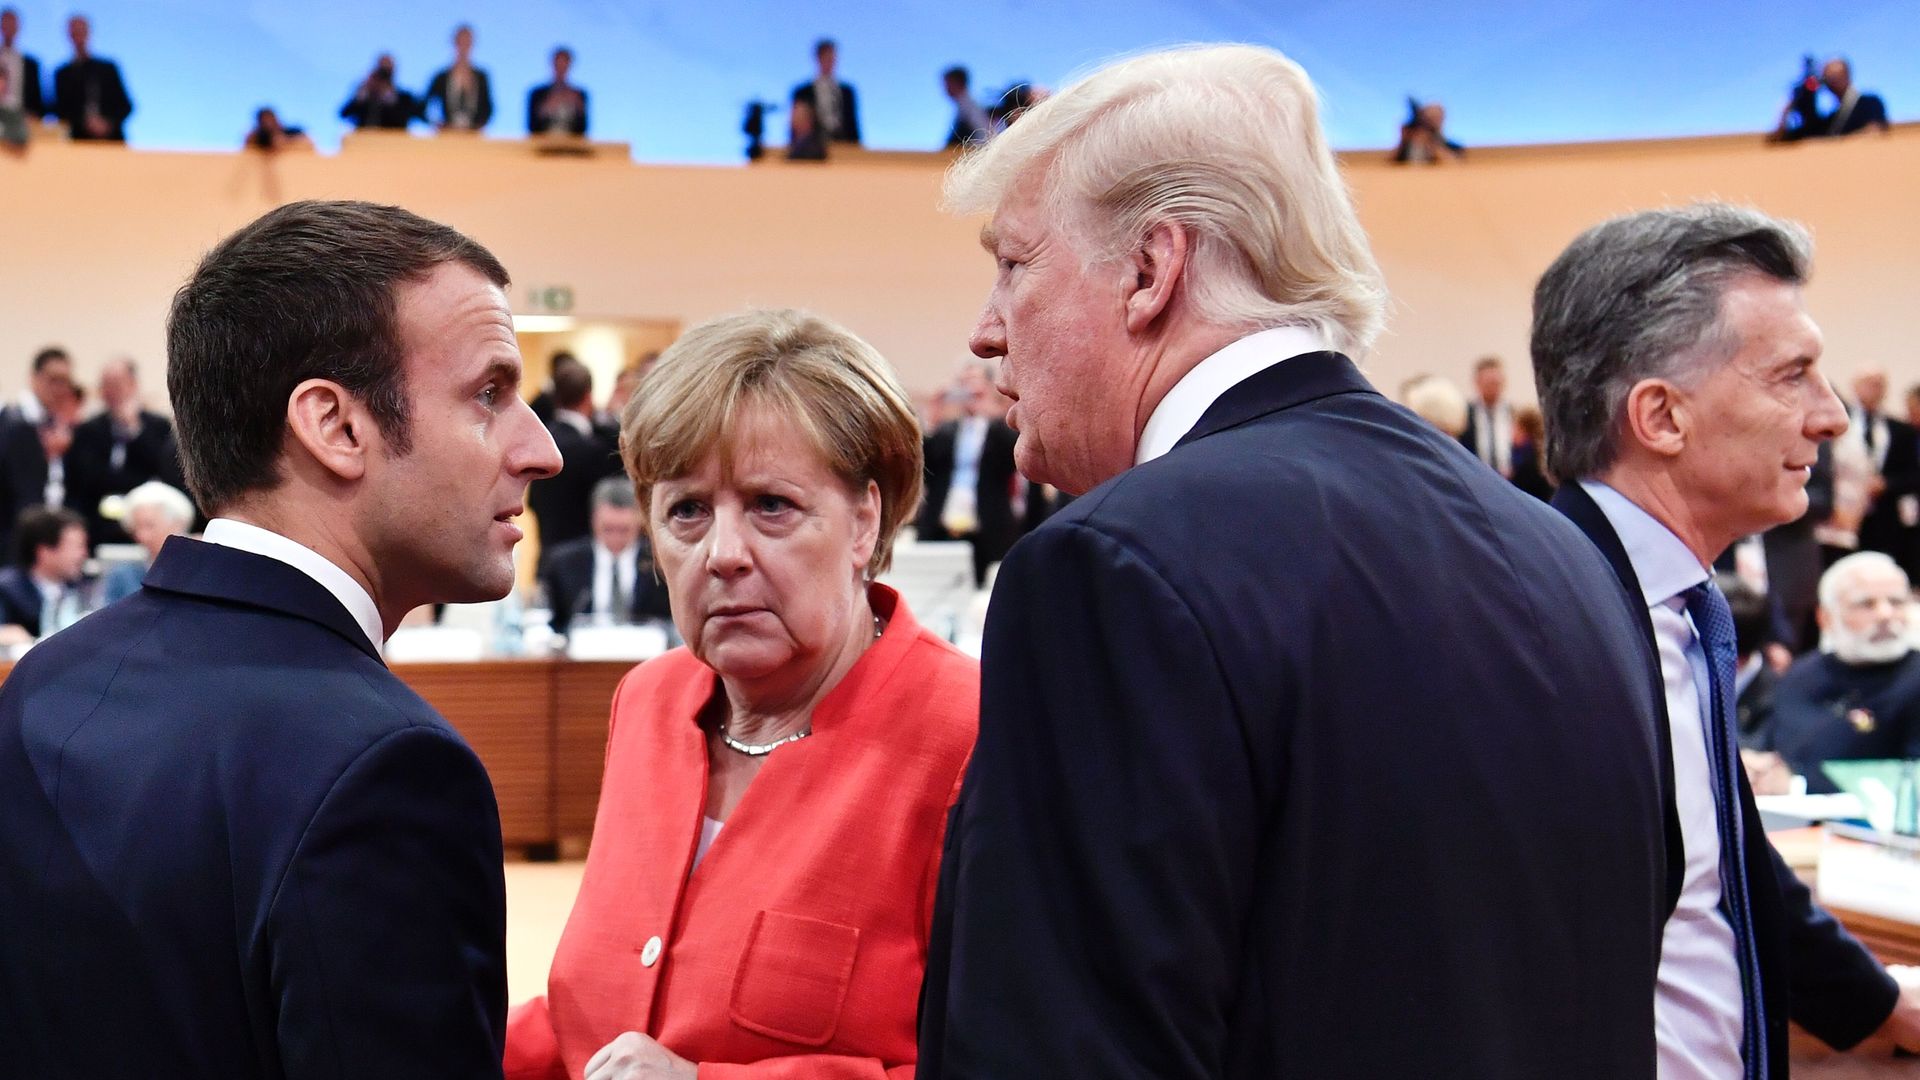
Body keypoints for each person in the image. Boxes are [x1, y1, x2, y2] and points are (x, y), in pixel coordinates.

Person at [919, 44, 1670, 1080]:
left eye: (1012, 264)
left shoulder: (1110, 570)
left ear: (1150, 269)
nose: (986, 332)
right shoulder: (1568, 557)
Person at [0, 199, 563, 1077]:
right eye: (489, 394)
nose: (542, 450)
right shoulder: (387, 766)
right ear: (336, 427)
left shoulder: (49, 678)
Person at [504, 308, 977, 1079]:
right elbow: (591, 1017)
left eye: (771, 506)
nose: (723, 555)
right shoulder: (649, 703)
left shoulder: (969, 735)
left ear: (865, 520)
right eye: (687, 510)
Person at [1534, 201, 1920, 1077]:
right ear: (1662, 418)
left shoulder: (1674, 597)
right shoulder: (1539, 630)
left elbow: (1727, 857)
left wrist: (1880, 1004)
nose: (1832, 419)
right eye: (1793, 376)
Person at [1757, 552, 1920, 791]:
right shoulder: (1800, 676)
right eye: (1866, 604)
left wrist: (1798, 784)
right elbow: (1772, 746)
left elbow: (1912, 780)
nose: (1885, 615)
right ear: (1825, 617)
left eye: (1896, 602)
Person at [917, 361, 1019, 584]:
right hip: (942, 526)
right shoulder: (947, 430)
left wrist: (990, 410)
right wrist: (932, 417)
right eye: (964, 383)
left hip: (987, 529)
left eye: (976, 383)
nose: (970, 391)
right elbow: (923, 467)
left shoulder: (997, 429)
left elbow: (1014, 460)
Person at [67, 356, 185, 547]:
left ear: (133, 384)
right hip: (98, 524)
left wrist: (134, 430)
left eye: (117, 384)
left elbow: (163, 471)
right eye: (105, 385)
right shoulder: (88, 430)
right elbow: (87, 478)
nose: (111, 392)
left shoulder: (158, 426)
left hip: (144, 523)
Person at [540, 475, 670, 635]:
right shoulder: (563, 564)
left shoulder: (660, 561)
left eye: (623, 530)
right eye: (608, 529)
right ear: (594, 520)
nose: (615, 537)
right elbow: (551, 624)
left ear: (639, 520)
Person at [528, 358, 618, 558]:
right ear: (588, 396)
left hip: (546, 553)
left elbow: (532, 502)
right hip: (581, 563)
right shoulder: (593, 449)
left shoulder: (540, 441)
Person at [1847, 366, 1920, 578]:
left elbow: (1913, 475)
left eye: (1879, 384)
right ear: (1855, 387)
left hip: (1887, 519)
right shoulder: (1841, 425)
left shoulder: (1901, 430)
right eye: (1868, 383)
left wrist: (1886, 484)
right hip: (1846, 518)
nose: (1873, 390)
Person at [0, 504, 89, 642]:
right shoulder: (6, 590)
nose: (83, 554)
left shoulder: (84, 589)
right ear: (44, 551)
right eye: (76, 546)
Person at [98, 478, 194, 604]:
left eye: (149, 526)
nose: (142, 536)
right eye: (136, 528)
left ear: (177, 524)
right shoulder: (122, 575)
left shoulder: (197, 570)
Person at [50, 14, 128, 141]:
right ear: (69, 36)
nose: (78, 37)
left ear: (88, 33)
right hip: (77, 142)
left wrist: (107, 124)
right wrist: (84, 124)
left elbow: (125, 106)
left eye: (81, 31)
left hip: (112, 141)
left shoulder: (108, 68)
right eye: (74, 32)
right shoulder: (62, 74)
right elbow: (60, 111)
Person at [790, 37, 858, 145]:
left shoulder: (847, 92)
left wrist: (857, 151)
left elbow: (853, 125)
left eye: (832, 58)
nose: (830, 62)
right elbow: (795, 128)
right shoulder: (802, 92)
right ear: (818, 58)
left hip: (843, 146)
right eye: (826, 58)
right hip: (813, 149)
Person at [426, 23, 493, 131]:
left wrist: (478, 127)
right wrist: (437, 125)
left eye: (467, 42)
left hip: (473, 137)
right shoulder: (441, 77)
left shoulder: (481, 77)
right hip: (447, 137)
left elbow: (489, 108)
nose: (464, 47)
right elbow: (425, 105)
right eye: (461, 42)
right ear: (454, 43)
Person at [1460, 354, 1513, 476]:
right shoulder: (1465, 415)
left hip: (1510, 482)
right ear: (1477, 383)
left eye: (1497, 383)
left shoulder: (1513, 415)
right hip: (1477, 477)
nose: (1493, 388)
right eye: (1489, 383)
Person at [340, 53, 421, 130]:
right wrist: (360, 97)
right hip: (363, 141)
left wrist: (390, 99)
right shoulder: (365, 94)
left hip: (393, 141)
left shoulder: (404, 98)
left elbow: (408, 118)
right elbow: (344, 114)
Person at [1817, 59, 1890, 137]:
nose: (1832, 83)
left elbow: (1875, 132)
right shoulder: (1833, 118)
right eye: (1827, 79)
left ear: (1847, 76)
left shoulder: (1869, 103)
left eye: (1835, 77)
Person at [0, 7, 48, 122]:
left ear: (18, 27)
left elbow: (37, 102)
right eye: (6, 23)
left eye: (12, 24)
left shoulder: (31, 64)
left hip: (23, 123)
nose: (9, 28)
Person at [527, 46, 586, 136]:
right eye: (558, 64)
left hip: (571, 147)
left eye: (564, 64)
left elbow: (583, 128)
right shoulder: (537, 94)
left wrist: (578, 106)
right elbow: (531, 126)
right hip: (543, 145)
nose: (561, 68)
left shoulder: (579, 94)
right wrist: (547, 106)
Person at [1393, 99, 1462, 163]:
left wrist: (1433, 147)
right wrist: (1405, 140)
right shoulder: (1407, 144)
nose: (1434, 121)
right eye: (1430, 118)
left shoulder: (1453, 147)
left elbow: (1454, 164)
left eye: (1436, 117)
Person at [942, 65, 993, 148]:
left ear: (957, 83)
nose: (945, 88)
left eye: (948, 84)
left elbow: (984, 134)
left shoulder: (969, 106)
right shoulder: (962, 105)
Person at [243, 106, 308, 151]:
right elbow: (248, 143)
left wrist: (286, 142)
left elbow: (308, 142)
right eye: (264, 121)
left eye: (270, 119)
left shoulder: (293, 132)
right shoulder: (259, 137)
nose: (268, 123)